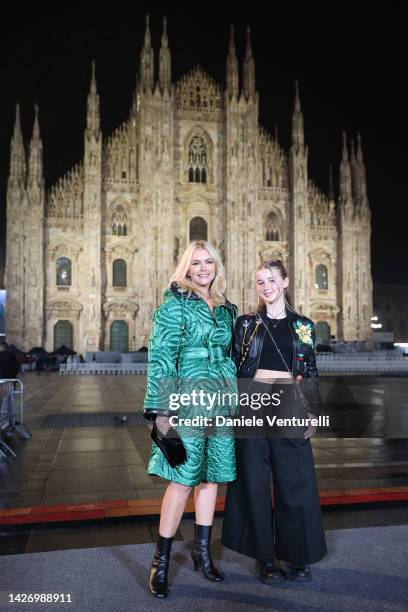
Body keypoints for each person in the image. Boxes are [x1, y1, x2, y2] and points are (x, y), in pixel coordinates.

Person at [221, 259, 327, 584]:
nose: (265, 287)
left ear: (285, 281)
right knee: (253, 481)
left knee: (295, 480)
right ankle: (264, 558)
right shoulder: (246, 323)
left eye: (271, 280)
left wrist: (311, 410)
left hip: (288, 404)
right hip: (253, 402)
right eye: (260, 282)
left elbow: (309, 368)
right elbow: (234, 365)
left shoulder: (303, 326)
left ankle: (297, 556)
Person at [143, 240, 238, 598]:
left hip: (223, 399)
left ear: (217, 266)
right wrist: (161, 413)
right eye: (196, 263)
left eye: (209, 261)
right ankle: (161, 561)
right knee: (182, 480)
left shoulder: (227, 308)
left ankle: (202, 553)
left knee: (212, 478)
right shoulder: (174, 306)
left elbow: (233, 353)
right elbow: (161, 359)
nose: (203, 268)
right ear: (186, 267)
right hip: (188, 399)